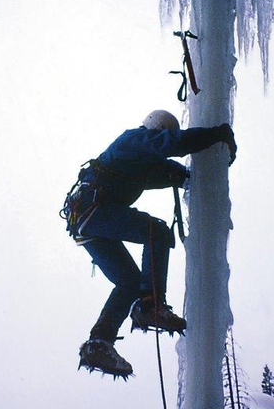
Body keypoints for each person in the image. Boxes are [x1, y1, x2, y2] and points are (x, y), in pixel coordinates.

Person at [61, 109, 237, 378]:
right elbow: (172, 144)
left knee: (130, 282)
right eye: (164, 134)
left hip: (88, 221)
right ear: (157, 129)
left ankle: (100, 342)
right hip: (93, 210)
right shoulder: (134, 140)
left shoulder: (142, 164)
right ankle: (150, 304)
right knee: (157, 231)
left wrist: (199, 175)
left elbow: (172, 172)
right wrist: (217, 134)